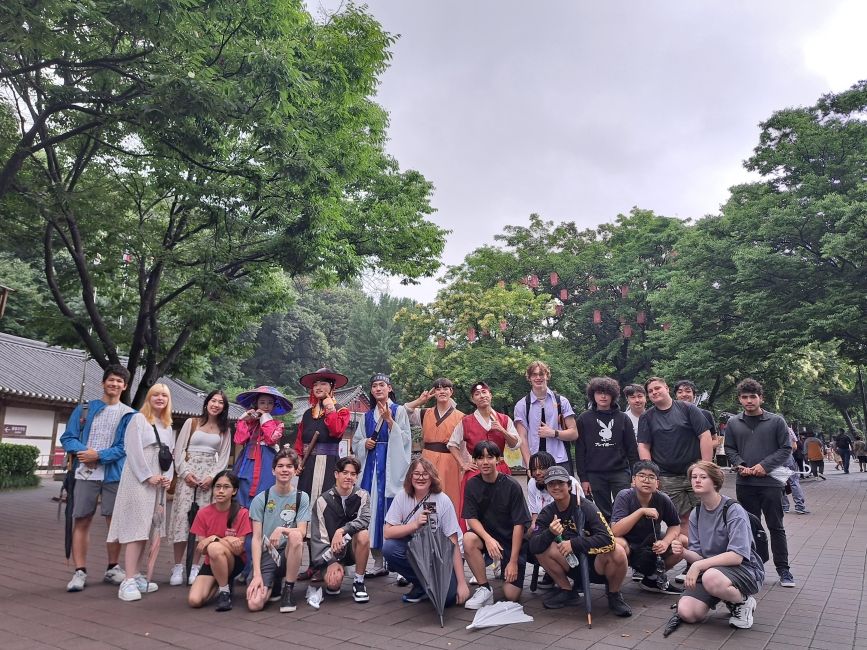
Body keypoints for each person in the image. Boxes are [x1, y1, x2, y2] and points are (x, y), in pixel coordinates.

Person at [60, 364, 137, 592]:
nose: (114, 384)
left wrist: (99, 455)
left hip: (114, 473)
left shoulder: (129, 414)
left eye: (119, 381)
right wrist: (85, 453)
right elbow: (68, 437)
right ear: (103, 382)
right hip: (85, 472)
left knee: (114, 522)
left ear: (125, 386)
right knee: (82, 519)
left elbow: (125, 446)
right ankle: (79, 571)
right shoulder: (84, 409)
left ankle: (113, 567)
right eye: (111, 380)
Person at [670, 461, 764, 631]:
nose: (697, 480)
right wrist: (683, 552)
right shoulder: (696, 512)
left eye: (703, 477)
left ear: (715, 481)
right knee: (687, 613)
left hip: (744, 569)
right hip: (712, 571)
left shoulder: (733, 509)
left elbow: (736, 556)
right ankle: (725, 596)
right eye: (694, 477)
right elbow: (699, 555)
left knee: (711, 578)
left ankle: (742, 601)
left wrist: (698, 565)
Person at [529, 466, 633, 615]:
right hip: (571, 563)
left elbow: (607, 538)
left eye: (561, 483)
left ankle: (614, 594)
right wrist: (550, 533)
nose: (556, 487)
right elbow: (533, 545)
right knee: (543, 548)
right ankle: (567, 591)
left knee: (618, 550)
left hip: (597, 562)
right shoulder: (547, 512)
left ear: (569, 485)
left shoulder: (586, 506)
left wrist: (574, 544)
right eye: (551, 484)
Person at [107, 384, 175, 601]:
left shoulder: (167, 425)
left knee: (147, 527)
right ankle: (127, 580)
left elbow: (169, 455)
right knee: (136, 527)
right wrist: (148, 476)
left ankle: (135, 574)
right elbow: (133, 450)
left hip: (158, 480)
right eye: (156, 394)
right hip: (139, 479)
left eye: (164, 395)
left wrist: (168, 478)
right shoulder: (138, 420)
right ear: (149, 397)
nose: (160, 398)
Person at [724, 378, 795, 588]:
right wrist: (740, 464)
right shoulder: (733, 423)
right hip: (745, 483)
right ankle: (751, 567)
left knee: (776, 527)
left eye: (752, 397)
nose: (748, 401)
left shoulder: (776, 421)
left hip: (771, 483)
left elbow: (785, 448)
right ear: (739, 399)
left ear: (760, 398)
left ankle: (784, 570)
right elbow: (729, 448)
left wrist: (764, 466)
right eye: (744, 397)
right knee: (748, 527)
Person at [382, 458, 470, 606]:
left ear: (432, 477)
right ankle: (422, 585)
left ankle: (436, 583)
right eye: (416, 473)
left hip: (444, 554)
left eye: (425, 474)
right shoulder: (402, 496)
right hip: (418, 549)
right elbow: (387, 532)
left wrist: (462, 583)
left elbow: (453, 541)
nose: (420, 478)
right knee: (390, 548)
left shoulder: (443, 500)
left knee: (448, 599)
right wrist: (415, 524)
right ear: (410, 476)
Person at [168, 390, 232, 586]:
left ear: (224, 407)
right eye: (213, 400)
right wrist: (185, 473)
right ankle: (178, 565)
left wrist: (212, 477)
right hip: (189, 473)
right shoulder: (192, 423)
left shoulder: (224, 429)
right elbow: (179, 451)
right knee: (182, 519)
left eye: (220, 402)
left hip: (208, 477)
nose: (216, 404)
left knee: (202, 521)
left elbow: (223, 456)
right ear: (207, 403)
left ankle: (195, 565)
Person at [352, 373, 411, 577]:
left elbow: (405, 439)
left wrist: (390, 422)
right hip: (371, 469)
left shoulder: (399, 410)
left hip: (391, 468)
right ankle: (377, 563)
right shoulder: (366, 416)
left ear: (389, 388)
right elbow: (357, 441)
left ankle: (401, 567)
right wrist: (364, 443)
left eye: (382, 385)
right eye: (375, 386)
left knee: (394, 513)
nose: (378, 389)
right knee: (372, 514)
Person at [295, 368, 351, 581]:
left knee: (327, 513)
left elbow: (336, 431)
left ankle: (328, 563)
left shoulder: (342, 411)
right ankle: (313, 564)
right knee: (307, 513)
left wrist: (330, 408)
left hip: (329, 467)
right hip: (308, 467)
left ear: (332, 388)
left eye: (324, 384)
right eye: (315, 385)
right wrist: (299, 460)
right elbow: (301, 441)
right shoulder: (307, 414)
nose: (319, 388)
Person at [461, 441, 530, 609]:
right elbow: (471, 518)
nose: (485, 462)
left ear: (498, 460)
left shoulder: (512, 486)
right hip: (487, 539)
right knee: (468, 538)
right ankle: (484, 588)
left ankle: (507, 566)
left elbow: (519, 525)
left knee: (511, 595)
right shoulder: (472, 484)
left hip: (509, 541)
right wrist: (488, 539)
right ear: (475, 461)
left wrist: (513, 561)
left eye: (489, 457)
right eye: (480, 458)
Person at [448, 381, 520, 530]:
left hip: (500, 469)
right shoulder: (466, 421)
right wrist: (463, 464)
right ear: (473, 399)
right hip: (476, 471)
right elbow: (452, 444)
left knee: (504, 507)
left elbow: (515, 444)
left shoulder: (504, 419)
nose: (481, 396)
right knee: (474, 510)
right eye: (477, 394)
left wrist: (502, 431)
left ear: (490, 395)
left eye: (484, 392)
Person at [246, 448, 310, 613]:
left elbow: (302, 531)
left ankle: (288, 589)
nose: (284, 470)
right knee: (254, 604)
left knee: (296, 537)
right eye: (280, 466)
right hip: (268, 553)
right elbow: (257, 538)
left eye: (289, 466)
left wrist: (281, 529)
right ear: (273, 470)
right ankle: (272, 582)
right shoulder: (261, 499)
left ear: (295, 471)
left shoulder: (301, 497)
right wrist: (257, 574)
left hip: (288, 552)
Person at [610, 460, 685, 595]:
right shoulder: (624, 496)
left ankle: (652, 578)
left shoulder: (662, 499)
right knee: (618, 544)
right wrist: (641, 512)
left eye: (651, 477)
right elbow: (615, 531)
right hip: (629, 546)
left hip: (651, 545)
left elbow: (675, 525)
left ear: (657, 483)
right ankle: (613, 587)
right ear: (633, 480)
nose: (646, 480)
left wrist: (665, 542)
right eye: (642, 476)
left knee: (682, 541)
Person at [574, 376, 639, 522]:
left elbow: (632, 450)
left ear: (613, 395)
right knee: (602, 513)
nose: (603, 396)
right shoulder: (584, 419)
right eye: (599, 392)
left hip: (620, 472)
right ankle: (609, 540)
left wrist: (635, 475)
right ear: (593, 395)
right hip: (595, 474)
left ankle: (627, 540)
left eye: (607, 392)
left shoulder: (623, 418)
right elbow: (580, 451)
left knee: (626, 508)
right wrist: (583, 478)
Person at [187, 470, 253, 612]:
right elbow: (201, 548)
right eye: (217, 486)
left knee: (214, 548)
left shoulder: (242, 513)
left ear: (234, 491)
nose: (220, 491)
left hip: (235, 561)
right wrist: (224, 540)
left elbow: (239, 549)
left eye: (226, 487)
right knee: (195, 600)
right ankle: (221, 580)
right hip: (212, 561)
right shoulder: (203, 513)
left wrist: (214, 539)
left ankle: (224, 592)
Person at [309, 456, 372, 603]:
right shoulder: (322, 501)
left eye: (353, 474)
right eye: (345, 473)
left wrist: (341, 530)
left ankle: (359, 581)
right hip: (332, 551)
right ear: (336, 474)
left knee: (363, 534)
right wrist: (331, 561)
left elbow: (364, 520)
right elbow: (318, 537)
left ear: (356, 477)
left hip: (352, 548)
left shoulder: (362, 495)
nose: (348, 477)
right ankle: (337, 570)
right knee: (333, 584)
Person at [403, 378, 465, 513]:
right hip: (427, 460)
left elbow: (464, 446)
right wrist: (420, 401)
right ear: (434, 392)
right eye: (438, 389)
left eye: (445, 388)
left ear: (451, 391)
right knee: (427, 494)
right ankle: (426, 527)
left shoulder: (461, 417)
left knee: (450, 496)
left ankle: (449, 529)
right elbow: (404, 412)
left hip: (451, 462)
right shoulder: (425, 413)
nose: (441, 391)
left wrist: (464, 465)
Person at [513, 360, 578, 472]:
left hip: (560, 460)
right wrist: (530, 466)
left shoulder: (562, 402)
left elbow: (574, 433)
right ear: (529, 377)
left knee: (563, 490)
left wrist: (553, 433)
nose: (538, 377)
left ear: (547, 376)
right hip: (536, 463)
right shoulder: (522, 405)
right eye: (534, 374)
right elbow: (522, 438)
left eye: (541, 374)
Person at [233, 385, 292, 507]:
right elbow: (239, 439)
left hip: (267, 459)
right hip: (247, 459)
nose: (266, 406)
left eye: (270, 403)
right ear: (256, 404)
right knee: (242, 485)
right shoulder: (250, 422)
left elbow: (271, 439)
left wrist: (264, 417)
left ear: (274, 406)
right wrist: (243, 419)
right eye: (262, 402)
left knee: (265, 486)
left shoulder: (277, 424)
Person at [781, 426, 809, 515]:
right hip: (788, 457)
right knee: (794, 481)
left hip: (775, 459)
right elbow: (794, 446)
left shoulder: (770, 428)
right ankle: (799, 506)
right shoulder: (789, 429)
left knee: (780, 482)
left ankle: (784, 506)